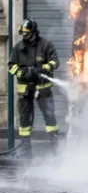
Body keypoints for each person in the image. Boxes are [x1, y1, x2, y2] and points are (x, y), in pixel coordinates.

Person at [8, 19, 59, 156]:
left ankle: (55, 148)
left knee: (49, 116)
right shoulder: (18, 48)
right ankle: (25, 150)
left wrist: (43, 69)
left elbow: (55, 61)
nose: (24, 36)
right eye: (23, 34)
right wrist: (21, 73)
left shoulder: (46, 45)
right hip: (25, 88)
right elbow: (11, 65)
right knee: (25, 118)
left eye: (27, 33)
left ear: (34, 32)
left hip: (43, 87)